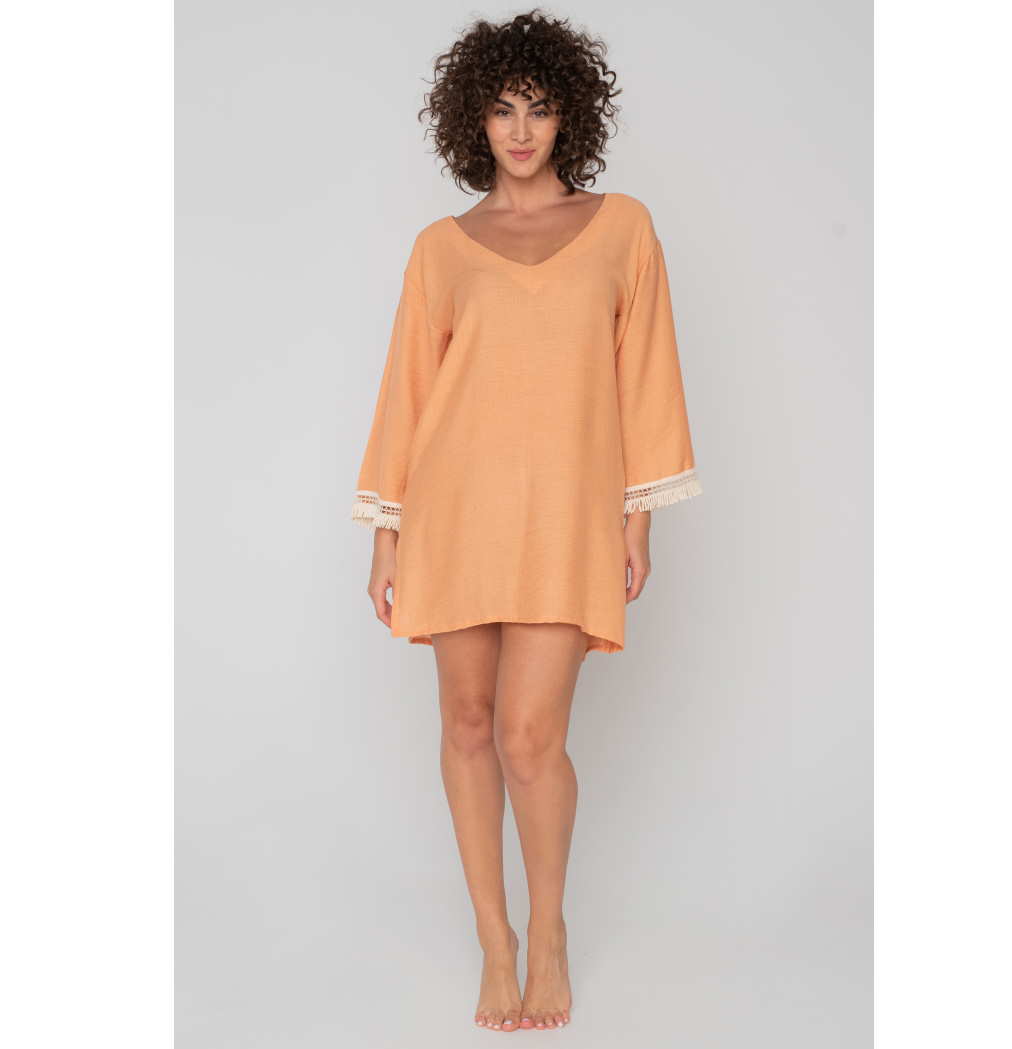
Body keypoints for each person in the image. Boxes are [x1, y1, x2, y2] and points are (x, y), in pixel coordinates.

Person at [350, 9, 701, 1032]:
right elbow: (409, 394)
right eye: (501, 108)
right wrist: (386, 531)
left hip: (564, 514)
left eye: (538, 108)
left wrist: (638, 516)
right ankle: (493, 940)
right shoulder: (440, 249)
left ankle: (548, 929)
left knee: (528, 735)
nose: (518, 129)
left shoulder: (622, 227)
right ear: (473, 117)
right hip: (453, 509)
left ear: (567, 117)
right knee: (465, 724)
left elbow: (646, 374)